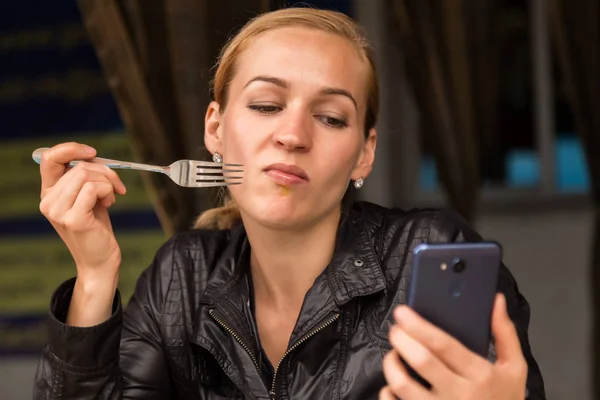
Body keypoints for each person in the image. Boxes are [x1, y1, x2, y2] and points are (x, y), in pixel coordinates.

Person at [32, 7, 545, 400]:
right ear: (215, 127)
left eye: (331, 118)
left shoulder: (430, 251)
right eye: (266, 106)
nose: (293, 135)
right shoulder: (180, 276)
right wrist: (95, 275)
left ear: (364, 154)